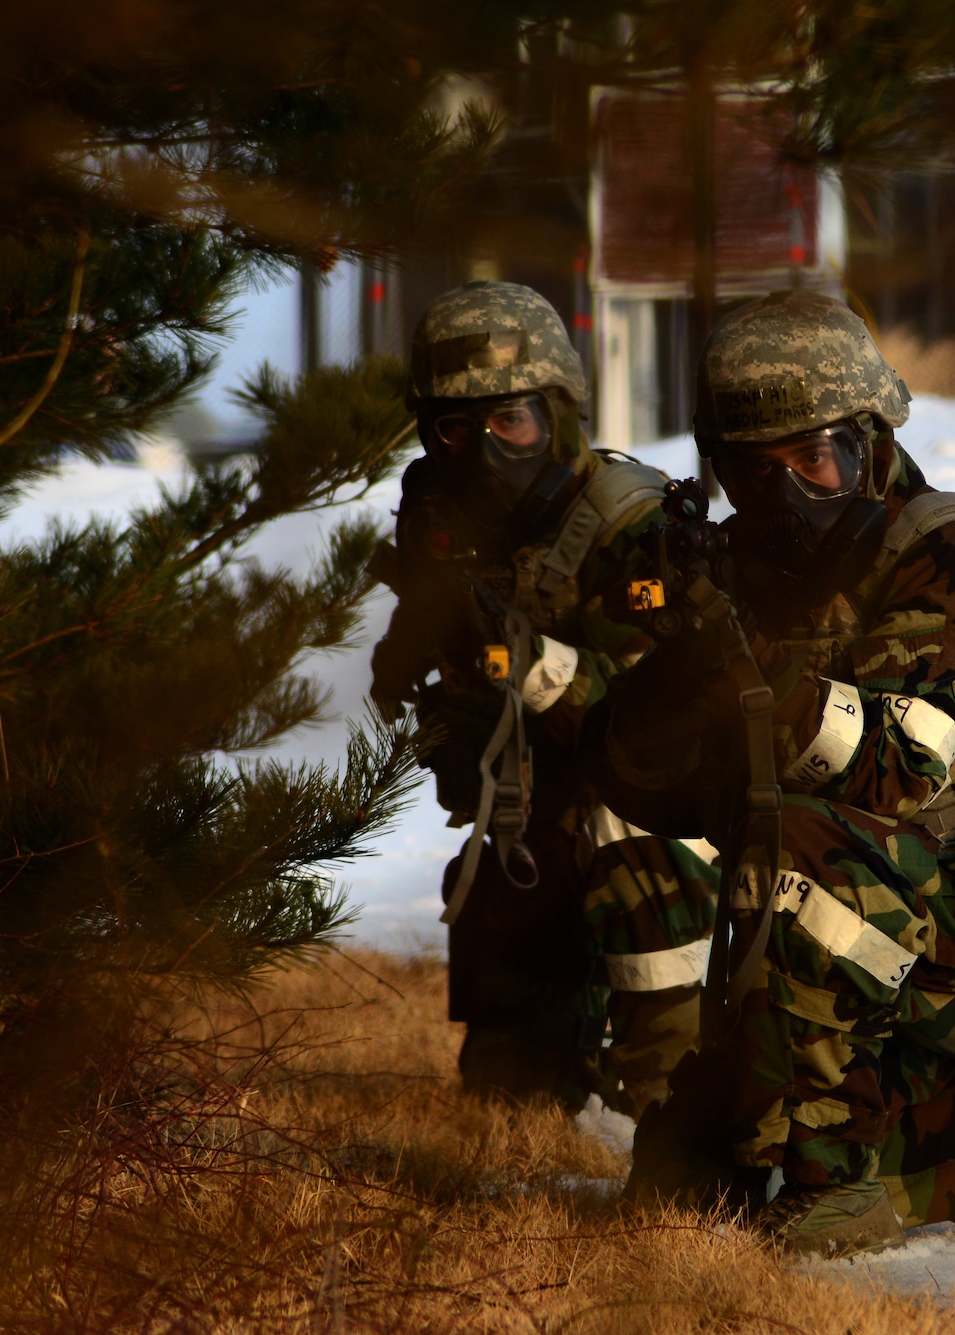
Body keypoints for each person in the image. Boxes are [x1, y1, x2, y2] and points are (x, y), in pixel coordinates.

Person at [591, 290, 955, 1256]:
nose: (791, 493)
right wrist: (676, 653)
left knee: (799, 847)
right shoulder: (753, 573)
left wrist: (740, 665)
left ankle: (858, 1170)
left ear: (874, 443)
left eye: (817, 458)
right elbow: (647, 785)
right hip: (834, 930)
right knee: (679, 1182)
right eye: (758, 473)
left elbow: (895, 765)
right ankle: (903, 1116)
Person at [369, 280, 719, 1117]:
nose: (485, 452)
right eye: (457, 428)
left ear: (557, 416)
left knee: (633, 852)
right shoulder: (439, 518)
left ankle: (680, 1092)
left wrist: (522, 660)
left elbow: (661, 718)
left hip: (661, 812)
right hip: (531, 807)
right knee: (508, 1078)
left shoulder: (631, 526)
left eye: (511, 422)